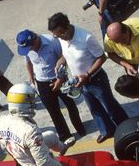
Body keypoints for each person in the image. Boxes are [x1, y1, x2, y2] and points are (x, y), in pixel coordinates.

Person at [47, 12, 128, 143]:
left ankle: (125, 129)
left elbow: (101, 57)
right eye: (56, 36)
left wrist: (88, 75)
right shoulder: (62, 38)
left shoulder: (86, 38)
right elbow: (65, 54)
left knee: (110, 106)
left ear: (67, 26)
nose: (60, 37)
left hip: (96, 80)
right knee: (94, 109)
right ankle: (106, 130)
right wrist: (60, 63)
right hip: (80, 82)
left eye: (61, 34)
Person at [0, 83, 73, 166]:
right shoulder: (30, 130)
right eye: (30, 100)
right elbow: (43, 163)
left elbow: (5, 147)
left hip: (22, 158)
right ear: (22, 104)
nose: (33, 103)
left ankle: (62, 148)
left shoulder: (1, 121)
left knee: (51, 135)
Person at [16, 29, 85, 144]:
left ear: (34, 41)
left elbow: (64, 57)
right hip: (42, 83)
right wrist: (31, 76)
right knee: (53, 111)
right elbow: (28, 61)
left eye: (30, 47)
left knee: (70, 104)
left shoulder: (51, 41)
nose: (29, 50)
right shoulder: (27, 49)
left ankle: (79, 127)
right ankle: (65, 135)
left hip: (60, 79)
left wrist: (59, 79)